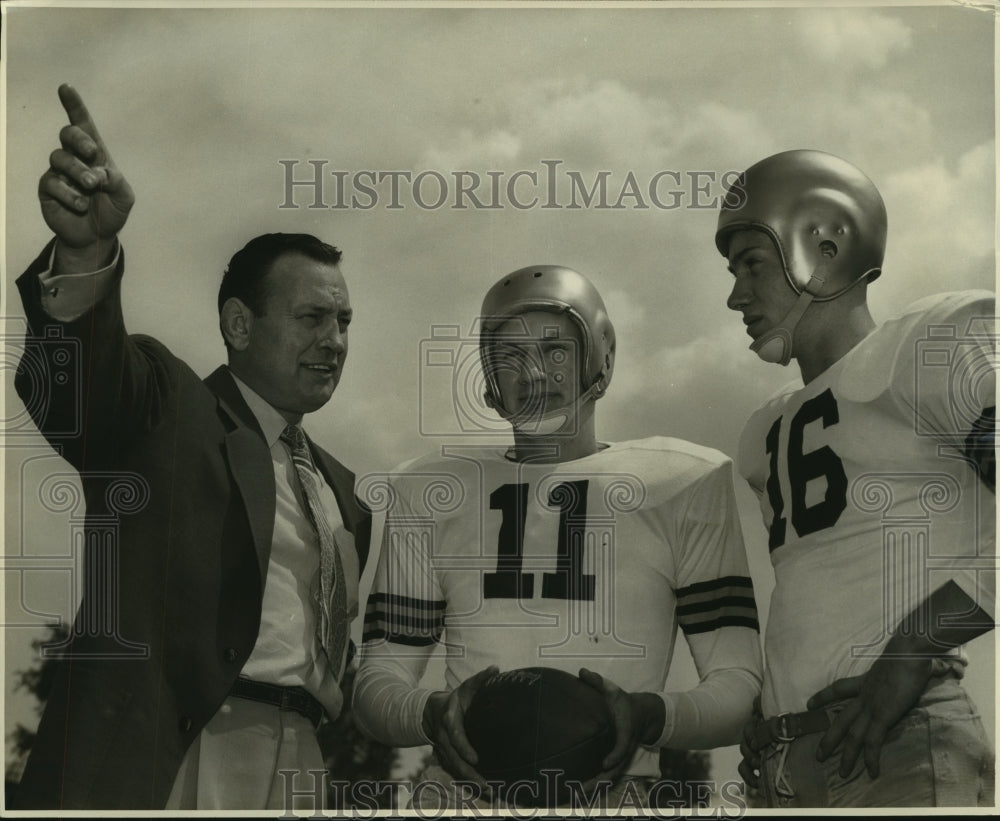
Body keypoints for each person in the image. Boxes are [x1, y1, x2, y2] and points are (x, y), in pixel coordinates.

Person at [13, 84, 371, 810]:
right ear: (239, 324)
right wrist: (87, 251)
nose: (333, 341)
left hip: (306, 761)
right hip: (182, 751)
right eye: (310, 317)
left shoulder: (344, 490)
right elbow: (76, 391)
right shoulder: (166, 407)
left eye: (344, 321)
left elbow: (331, 651)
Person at [352, 264, 763, 810]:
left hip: (615, 799)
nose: (535, 372)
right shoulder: (432, 490)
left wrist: (649, 716)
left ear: (599, 356)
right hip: (462, 798)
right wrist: (430, 713)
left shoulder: (683, 482)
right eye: (512, 355)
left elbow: (739, 684)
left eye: (555, 349)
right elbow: (377, 683)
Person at [716, 149, 995, 808]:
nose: (736, 296)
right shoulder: (765, 430)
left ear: (825, 244)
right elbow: (822, 586)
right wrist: (769, 705)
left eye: (753, 264)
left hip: (897, 736)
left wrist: (913, 646)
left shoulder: (926, 345)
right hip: (792, 761)